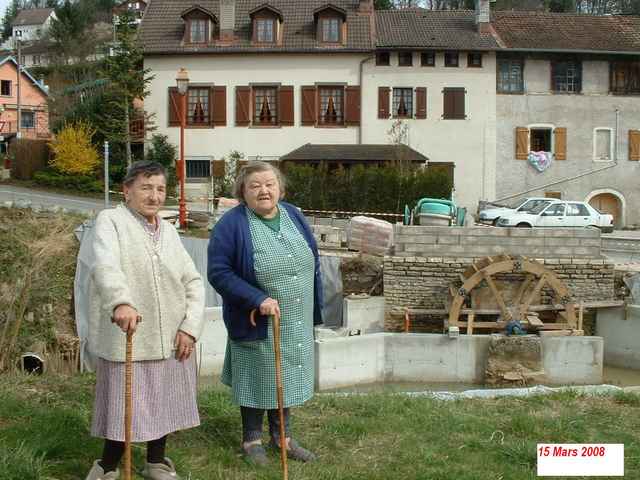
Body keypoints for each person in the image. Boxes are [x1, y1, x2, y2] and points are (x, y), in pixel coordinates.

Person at [85, 161, 205, 480]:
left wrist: (190, 328)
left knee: (162, 400)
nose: (154, 196)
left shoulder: (167, 230)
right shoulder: (110, 221)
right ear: (126, 190)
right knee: (125, 403)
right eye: (146, 187)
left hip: (170, 336)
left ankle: (156, 462)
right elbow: (104, 265)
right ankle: (107, 466)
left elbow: (192, 281)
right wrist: (121, 301)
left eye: (160, 189)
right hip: (130, 333)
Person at [207, 161, 323, 465]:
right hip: (256, 319)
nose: (264, 190)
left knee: (284, 373)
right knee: (257, 375)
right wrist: (257, 298)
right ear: (242, 191)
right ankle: (251, 440)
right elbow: (219, 272)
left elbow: (313, 258)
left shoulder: (294, 215)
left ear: (280, 188)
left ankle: (282, 437)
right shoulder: (231, 225)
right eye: (255, 185)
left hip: (294, 318)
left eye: (269, 184)